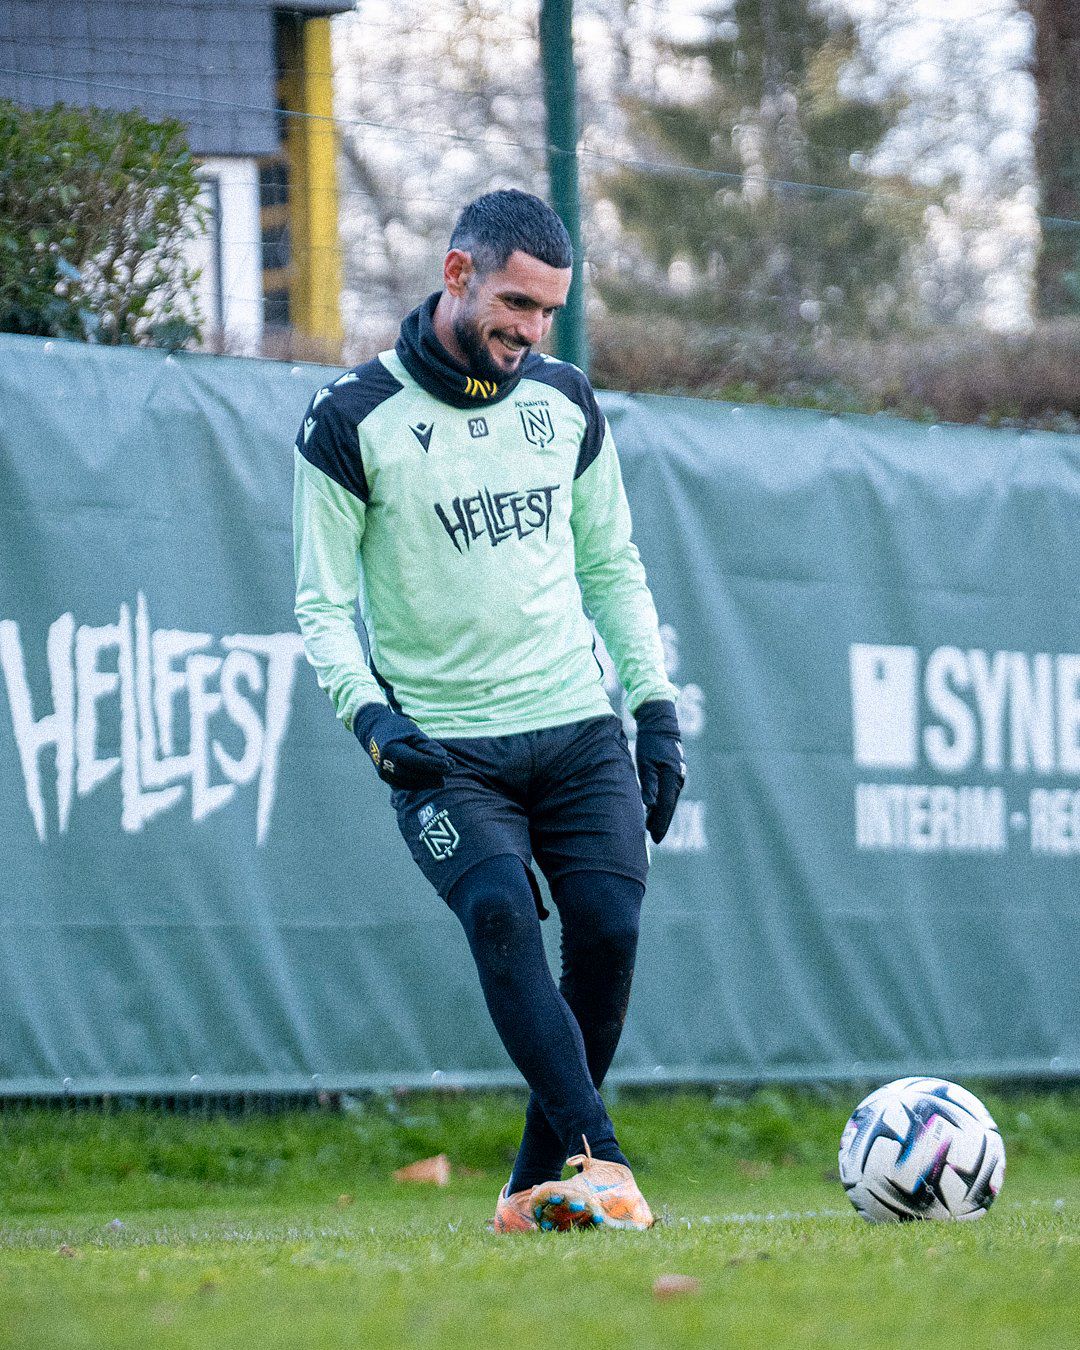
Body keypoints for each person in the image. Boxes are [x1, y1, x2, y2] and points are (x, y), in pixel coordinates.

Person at [293, 189, 684, 1233]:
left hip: (576, 728)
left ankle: (526, 1188)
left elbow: (613, 566)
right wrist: (370, 721)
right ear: (458, 273)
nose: (531, 330)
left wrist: (653, 710)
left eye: (550, 312)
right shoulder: (349, 420)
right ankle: (603, 1159)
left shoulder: (566, 402)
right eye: (517, 302)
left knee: (606, 930)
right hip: (444, 754)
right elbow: (323, 608)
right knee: (502, 915)